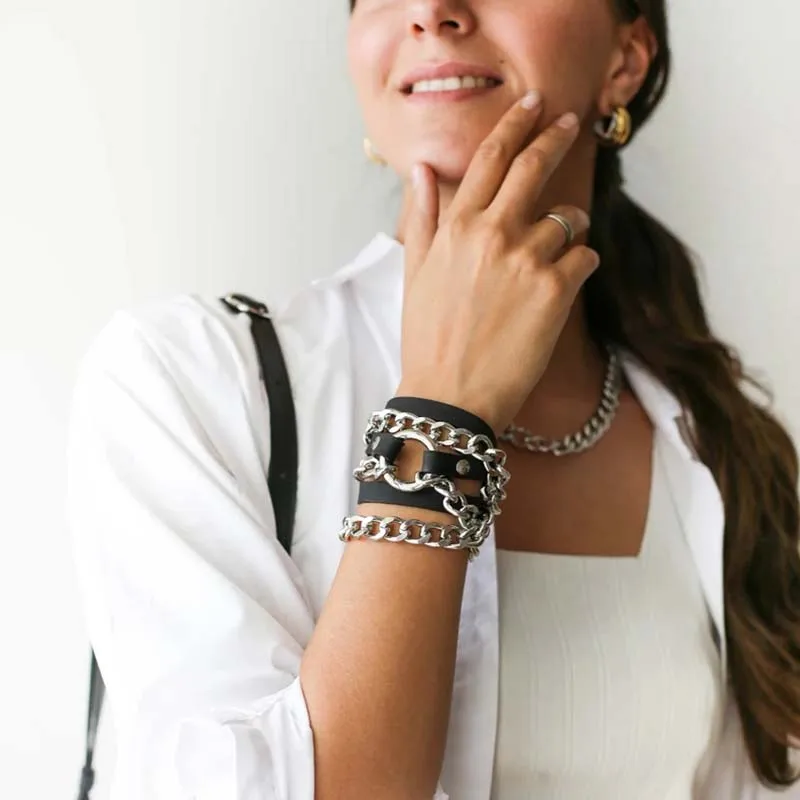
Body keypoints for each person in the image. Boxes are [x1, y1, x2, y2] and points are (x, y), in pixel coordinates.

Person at [67, 0, 800, 798]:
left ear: (624, 60)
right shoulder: (191, 383)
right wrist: (444, 407)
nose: (430, 10)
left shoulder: (720, 448)